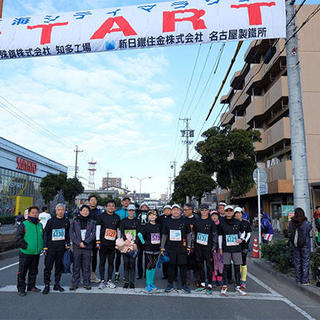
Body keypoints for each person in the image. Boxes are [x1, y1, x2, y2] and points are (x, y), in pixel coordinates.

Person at [161, 204, 192, 294]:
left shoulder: (185, 221)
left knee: (183, 267)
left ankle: (184, 285)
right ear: (171, 211)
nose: (175, 211)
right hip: (170, 248)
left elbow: (189, 235)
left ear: (180, 211)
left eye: (177, 210)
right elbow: (164, 235)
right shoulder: (167, 221)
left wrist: (189, 246)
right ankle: (170, 284)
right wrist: (162, 247)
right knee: (171, 266)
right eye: (173, 210)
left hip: (182, 248)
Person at [218, 205, 247, 296]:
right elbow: (220, 236)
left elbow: (243, 232)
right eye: (227, 210)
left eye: (231, 210)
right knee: (226, 266)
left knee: (237, 267)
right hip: (226, 247)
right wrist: (220, 248)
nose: (229, 212)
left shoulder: (238, 222)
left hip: (236, 248)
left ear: (233, 212)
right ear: (225, 212)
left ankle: (238, 285)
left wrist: (241, 239)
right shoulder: (221, 222)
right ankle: (224, 284)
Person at [42, 203, 70, 294]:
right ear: (56, 211)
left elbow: (67, 234)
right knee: (48, 267)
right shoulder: (51, 221)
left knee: (59, 267)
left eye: (62, 209)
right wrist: (45, 246)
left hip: (61, 248)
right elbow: (45, 233)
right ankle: (47, 285)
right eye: (59, 210)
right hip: (51, 248)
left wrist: (68, 244)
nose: (60, 211)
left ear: (64, 211)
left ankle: (57, 284)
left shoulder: (66, 221)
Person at [16, 206, 43, 296]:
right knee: (22, 271)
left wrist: (41, 247)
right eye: (33, 212)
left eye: (36, 212)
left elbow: (42, 237)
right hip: (26, 253)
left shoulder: (40, 225)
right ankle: (21, 288)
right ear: (29, 214)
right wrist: (25, 246)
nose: (35, 214)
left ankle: (31, 286)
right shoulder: (24, 224)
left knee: (34, 271)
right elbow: (18, 238)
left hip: (36, 253)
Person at [70, 205, 96, 291]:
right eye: (83, 210)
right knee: (76, 266)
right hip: (77, 247)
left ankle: (86, 283)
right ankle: (75, 283)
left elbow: (93, 234)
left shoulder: (92, 222)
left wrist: (85, 242)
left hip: (87, 247)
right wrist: (79, 243)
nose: (85, 212)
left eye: (87, 211)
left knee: (86, 266)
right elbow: (71, 233)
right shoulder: (75, 221)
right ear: (80, 212)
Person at [96, 199, 120, 289]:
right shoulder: (101, 216)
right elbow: (98, 228)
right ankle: (102, 280)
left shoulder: (117, 217)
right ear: (106, 207)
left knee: (111, 262)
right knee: (102, 262)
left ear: (115, 207)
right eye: (109, 205)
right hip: (102, 243)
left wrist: (118, 242)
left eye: (113, 206)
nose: (111, 207)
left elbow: (118, 231)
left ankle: (110, 280)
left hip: (112, 244)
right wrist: (98, 241)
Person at [193, 204, 217, 294]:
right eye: (202, 210)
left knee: (209, 266)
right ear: (200, 211)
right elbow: (193, 234)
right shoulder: (197, 221)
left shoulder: (211, 222)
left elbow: (214, 235)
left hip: (208, 248)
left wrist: (214, 247)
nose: (204, 212)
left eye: (205, 210)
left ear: (208, 211)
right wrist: (192, 246)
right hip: (198, 247)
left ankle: (210, 284)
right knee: (200, 265)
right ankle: (202, 283)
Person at [138, 210, 161, 292]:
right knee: (149, 264)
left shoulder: (159, 226)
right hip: (148, 249)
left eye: (154, 215)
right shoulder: (146, 226)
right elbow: (139, 234)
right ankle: (148, 283)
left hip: (157, 248)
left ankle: (152, 282)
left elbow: (161, 236)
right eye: (150, 215)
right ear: (148, 217)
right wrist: (144, 243)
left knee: (154, 265)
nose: (152, 216)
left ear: (156, 217)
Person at [289, 208, 312, 285]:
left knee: (297, 262)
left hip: (296, 244)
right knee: (305, 262)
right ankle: (305, 280)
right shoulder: (306, 223)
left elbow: (290, 232)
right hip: (305, 244)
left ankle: (298, 279)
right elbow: (309, 229)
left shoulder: (291, 223)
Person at [120, 204, 140, 289]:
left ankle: (132, 281)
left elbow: (139, 233)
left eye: (132, 210)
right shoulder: (123, 221)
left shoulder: (137, 221)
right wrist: (126, 241)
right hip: (125, 244)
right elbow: (122, 232)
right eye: (129, 210)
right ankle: (126, 281)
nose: (131, 212)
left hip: (134, 245)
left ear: (134, 211)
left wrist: (134, 243)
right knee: (126, 263)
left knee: (132, 263)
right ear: (127, 211)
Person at [234, 207, 251, 289]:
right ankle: (237, 280)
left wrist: (244, 240)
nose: (238, 214)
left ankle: (243, 280)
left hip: (243, 246)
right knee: (236, 264)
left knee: (243, 263)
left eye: (239, 213)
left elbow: (249, 233)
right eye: (236, 213)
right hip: (234, 246)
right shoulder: (232, 222)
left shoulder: (246, 223)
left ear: (242, 214)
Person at [114, 196, 131, 283]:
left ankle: (126, 275)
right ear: (122, 203)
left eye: (128, 201)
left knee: (127, 256)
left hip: (129, 237)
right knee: (118, 256)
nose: (126, 203)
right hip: (119, 236)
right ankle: (117, 273)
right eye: (124, 201)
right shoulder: (117, 212)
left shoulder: (132, 212)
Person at [183, 203, 199, 287]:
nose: (184, 211)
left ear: (191, 210)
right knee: (186, 263)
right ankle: (187, 280)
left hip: (197, 244)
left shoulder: (197, 218)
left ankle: (197, 280)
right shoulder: (183, 219)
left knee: (196, 263)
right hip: (186, 244)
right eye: (184, 210)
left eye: (185, 210)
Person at [88, 195, 102, 284]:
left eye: (95, 200)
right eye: (91, 200)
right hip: (85, 238)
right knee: (85, 257)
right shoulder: (85, 211)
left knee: (94, 257)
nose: (93, 201)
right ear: (89, 201)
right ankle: (86, 275)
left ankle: (93, 275)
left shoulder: (99, 212)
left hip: (96, 238)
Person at [136, 202, 149, 279]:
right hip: (139, 238)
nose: (144, 208)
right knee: (139, 257)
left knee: (147, 257)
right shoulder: (138, 214)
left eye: (145, 207)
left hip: (147, 238)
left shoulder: (150, 214)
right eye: (142, 207)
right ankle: (140, 274)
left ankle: (146, 273)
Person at [210, 211, 223, 287]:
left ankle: (220, 279)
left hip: (220, 247)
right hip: (212, 248)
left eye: (216, 215)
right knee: (213, 264)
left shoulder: (221, 225)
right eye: (213, 216)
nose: (214, 217)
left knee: (220, 263)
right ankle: (213, 279)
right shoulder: (209, 225)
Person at [159, 204, 172, 279]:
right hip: (163, 240)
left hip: (172, 240)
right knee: (164, 257)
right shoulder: (160, 218)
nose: (167, 211)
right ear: (163, 211)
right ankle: (165, 274)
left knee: (172, 258)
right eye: (165, 210)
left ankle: (173, 275)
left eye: (168, 210)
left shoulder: (173, 218)